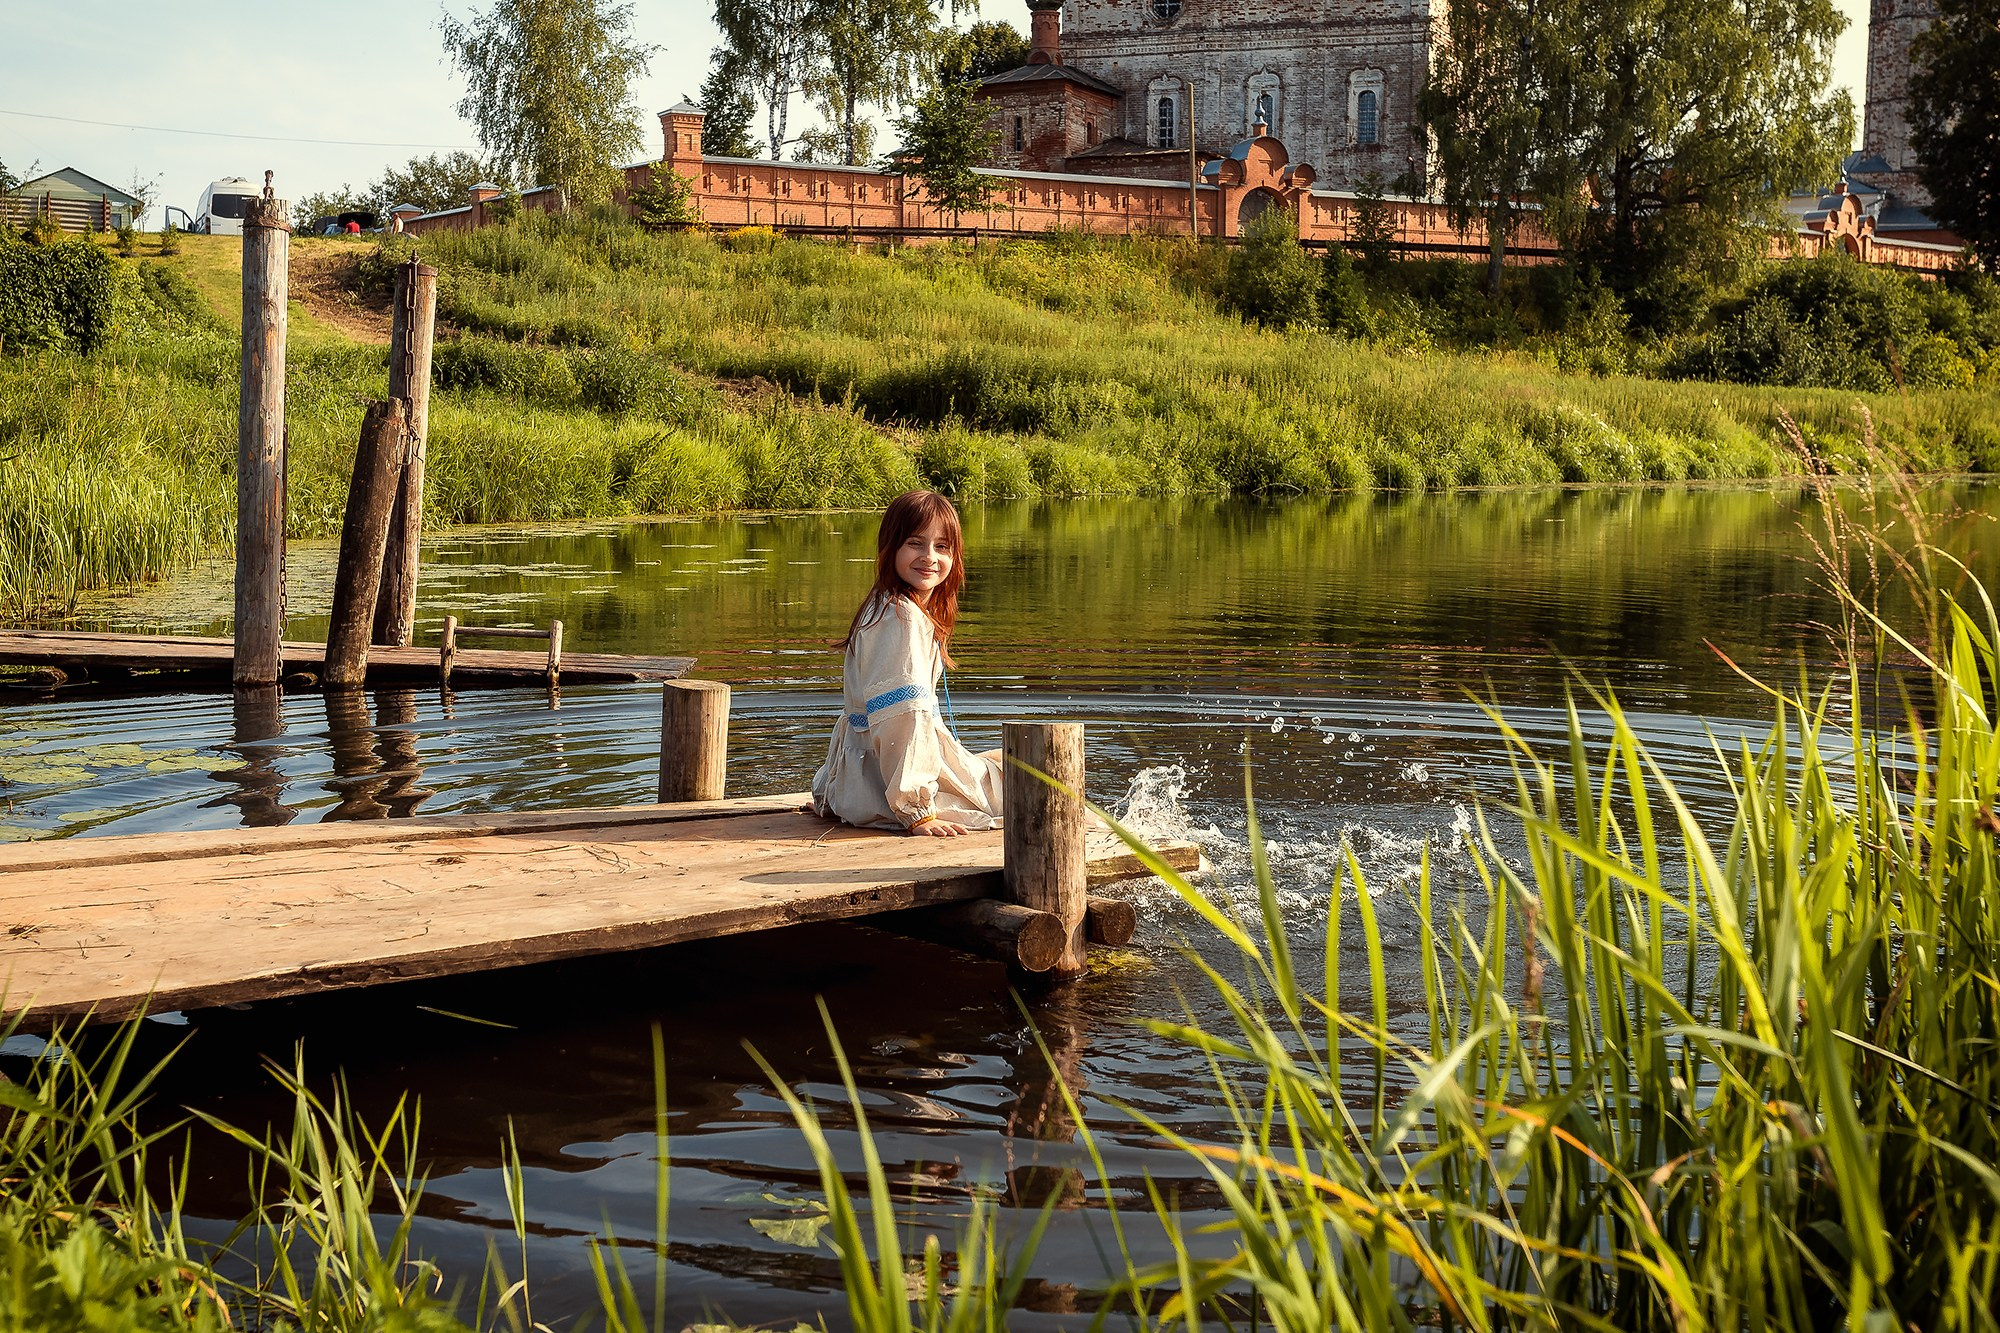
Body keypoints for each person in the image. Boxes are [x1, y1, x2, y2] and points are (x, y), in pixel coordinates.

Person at [812, 491, 1003, 837]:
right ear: (892, 547)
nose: (929, 557)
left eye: (942, 547)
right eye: (916, 543)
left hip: (862, 780)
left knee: (1007, 763)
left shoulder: (886, 605)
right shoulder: (902, 617)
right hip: (886, 791)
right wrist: (919, 812)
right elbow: (904, 719)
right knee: (1036, 783)